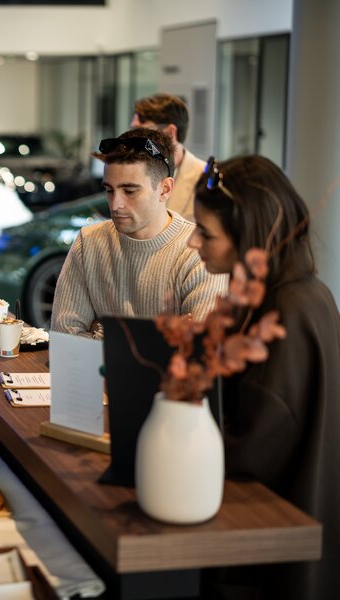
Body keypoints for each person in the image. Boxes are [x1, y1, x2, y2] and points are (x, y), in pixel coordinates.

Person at [188, 155, 339, 600]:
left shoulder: (285, 313)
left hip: (270, 547)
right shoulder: (304, 293)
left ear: (248, 236)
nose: (193, 242)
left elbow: (253, 451)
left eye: (207, 232)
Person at [50, 127, 226, 336]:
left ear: (165, 189)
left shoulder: (199, 253)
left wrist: (101, 331)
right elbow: (66, 338)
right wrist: (162, 337)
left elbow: (199, 354)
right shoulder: (89, 242)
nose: (115, 205)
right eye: (109, 190)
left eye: (130, 191)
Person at [131, 93, 207, 221]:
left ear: (170, 133)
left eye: (141, 131)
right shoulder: (133, 172)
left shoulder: (204, 178)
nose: (133, 139)